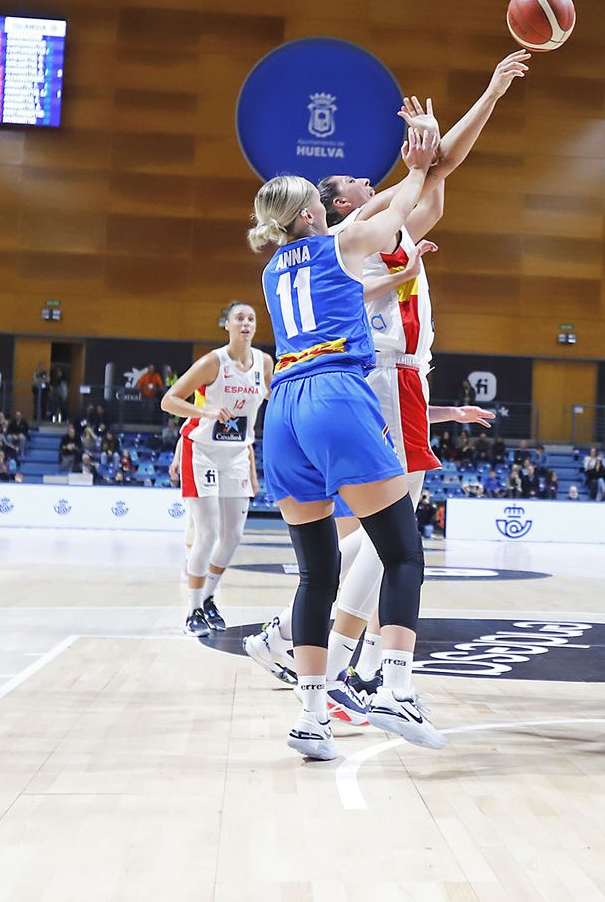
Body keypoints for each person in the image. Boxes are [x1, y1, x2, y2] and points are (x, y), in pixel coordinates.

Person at [243, 56, 523, 722]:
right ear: (334, 206)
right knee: (395, 534)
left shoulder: (345, 245)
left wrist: (433, 150)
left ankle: (332, 657)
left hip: (354, 387)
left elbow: (434, 189)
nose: (373, 181)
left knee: (369, 533)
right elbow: (431, 174)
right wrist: (485, 96)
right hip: (368, 379)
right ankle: (348, 663)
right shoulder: (348, 238)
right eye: (358, 184)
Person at [247, 120, 448, 760]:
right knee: (402, 553)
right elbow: (395, 214)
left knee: (317, 573)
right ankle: (395, 687)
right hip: (334, 394)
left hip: (282, 409)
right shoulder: (340, 242)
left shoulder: (275, 269)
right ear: (313, 211)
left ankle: (311, 717)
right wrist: (416, 167)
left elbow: (359, 286)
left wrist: (403, 263)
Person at [160, 302, 273, 637]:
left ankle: (210, 598)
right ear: (226, 324)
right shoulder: (213, 362)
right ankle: (193, 607)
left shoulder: (264, 363)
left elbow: (273, 398)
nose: (246, 323)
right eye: (239, 318)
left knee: (233, 536)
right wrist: (207, 411)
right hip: (204, 453)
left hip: (237, 454)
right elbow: (170, 400)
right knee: (207, 534)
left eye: (251, 318)